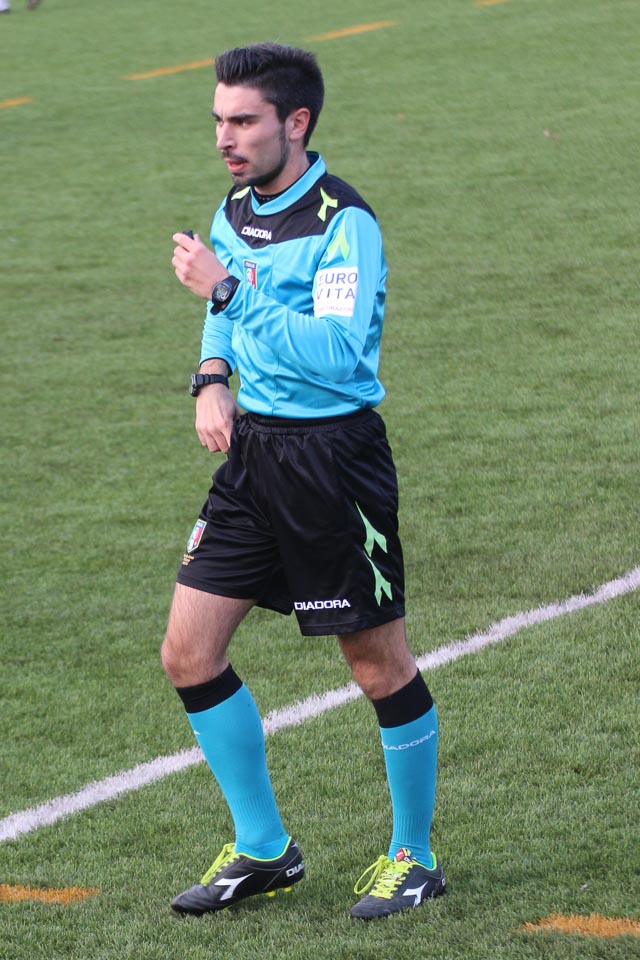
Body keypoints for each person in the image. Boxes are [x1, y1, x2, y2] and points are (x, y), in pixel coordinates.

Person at [163, 42, 445, 921]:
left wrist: (229, 293)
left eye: (243, 121)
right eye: (218, 120)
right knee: (188, 652)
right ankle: (263, 848)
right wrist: (212, 377)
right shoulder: (236, 209)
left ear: (296, 122)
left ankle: (415, 857)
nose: (225, 138)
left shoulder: (343, 224)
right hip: (254, 458)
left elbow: (333, 354)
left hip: (334, 461)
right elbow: (223, 320)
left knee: (375, 661)